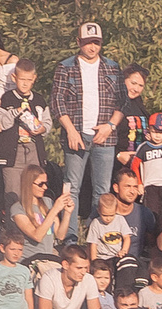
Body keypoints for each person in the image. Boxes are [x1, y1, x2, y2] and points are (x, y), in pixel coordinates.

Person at [50, 21, 124, 233]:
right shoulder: (65, 67)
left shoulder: (112, 67)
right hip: (77, 135)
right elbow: (57, 101)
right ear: (78, 42)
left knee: (102, 190)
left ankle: (96, 236)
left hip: (105, 137)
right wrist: (71, 130)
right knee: (71, 188)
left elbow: (122, 102)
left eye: (97, 43)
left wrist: (110, 126)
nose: (92, 47)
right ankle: (70, 236)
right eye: (88, 42)